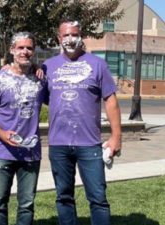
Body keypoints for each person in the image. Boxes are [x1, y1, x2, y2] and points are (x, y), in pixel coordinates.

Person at [42, 19, 122, 225]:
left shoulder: (97, 64)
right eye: (65, 35)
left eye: (74, 34)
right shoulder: (48, 67)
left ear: (81, 36)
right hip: (58, 145)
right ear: (59, 38)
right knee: (64, 197)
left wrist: (116, 138)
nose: (70, 39)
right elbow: (41, 97)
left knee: (98, 199)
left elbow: (111, 100)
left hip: (90, 144)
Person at [0, 32, 47, 225]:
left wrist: (38, 68)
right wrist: (2, 134)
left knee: (27, 205)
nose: (25, 52)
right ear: (12, 50)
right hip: (3, 152)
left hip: (30, 153)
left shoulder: (40, 80)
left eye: (29, 48)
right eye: (20, 48)